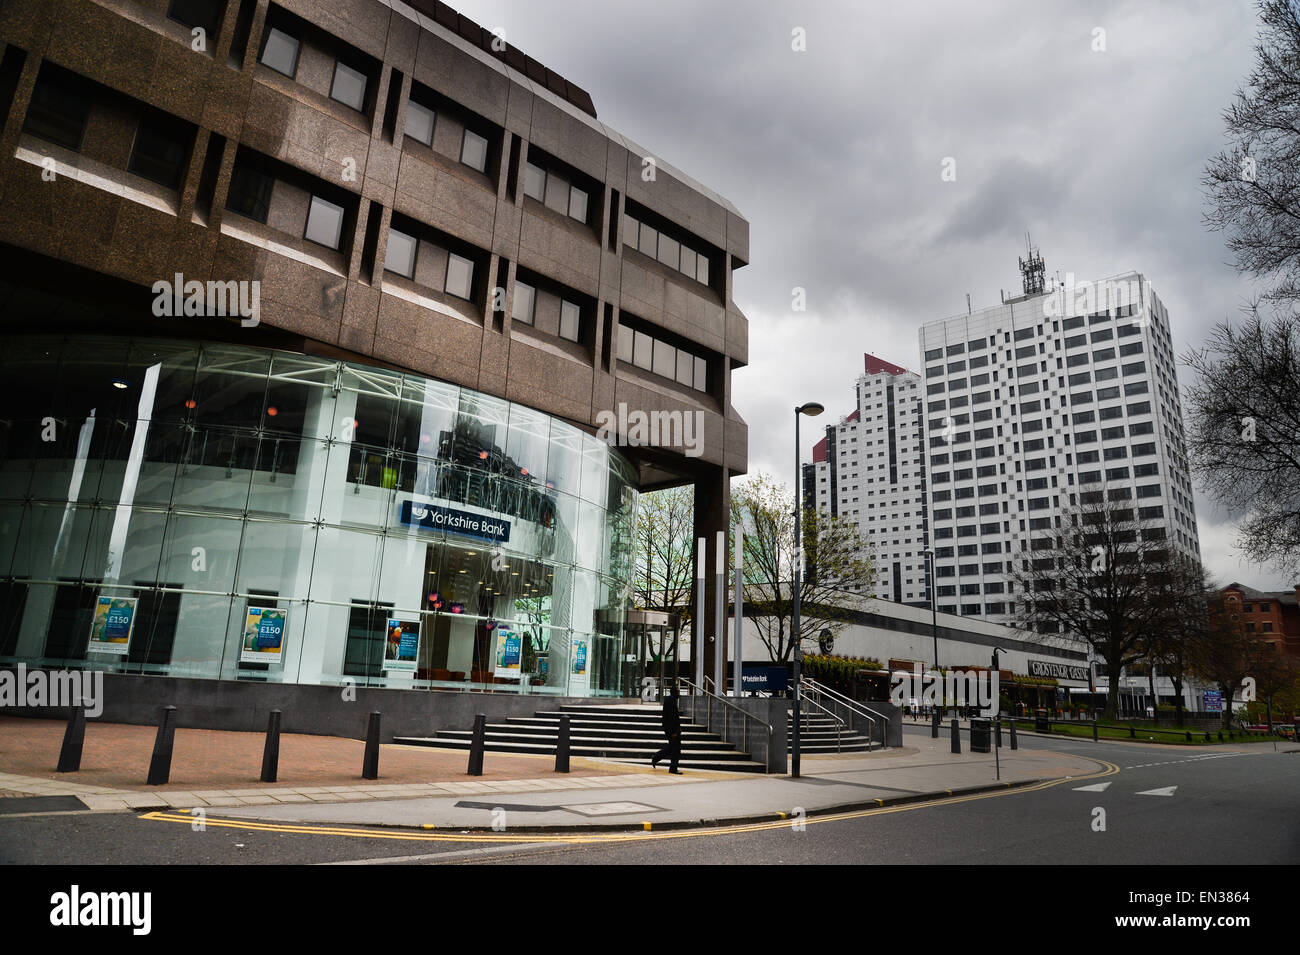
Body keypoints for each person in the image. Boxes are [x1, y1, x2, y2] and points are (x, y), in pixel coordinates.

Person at [651, 683, 683, 774]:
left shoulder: (671, 700)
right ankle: (673, 768)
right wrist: (674, 731)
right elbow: (669, 718)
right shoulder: (670, 701)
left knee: (671, 748)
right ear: (673, 693)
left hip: (673, 730)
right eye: (678, 692)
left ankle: (656, 757)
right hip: (672, 731)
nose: (679, 694)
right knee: (676, 749)